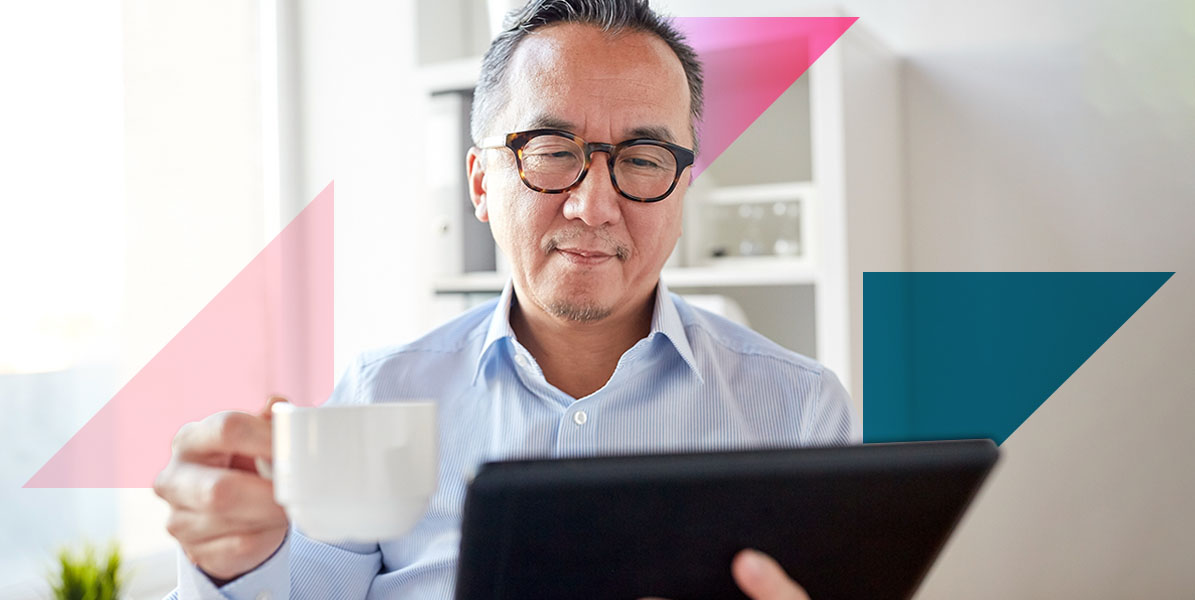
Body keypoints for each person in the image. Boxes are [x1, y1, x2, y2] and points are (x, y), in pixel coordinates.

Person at [154, 0, 857, 598]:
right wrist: (234, 565)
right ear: (481, 184)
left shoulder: (800, 411)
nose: (593, 206)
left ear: (681, 191)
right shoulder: (379, 395)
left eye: (643, 160)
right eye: (552, 149)